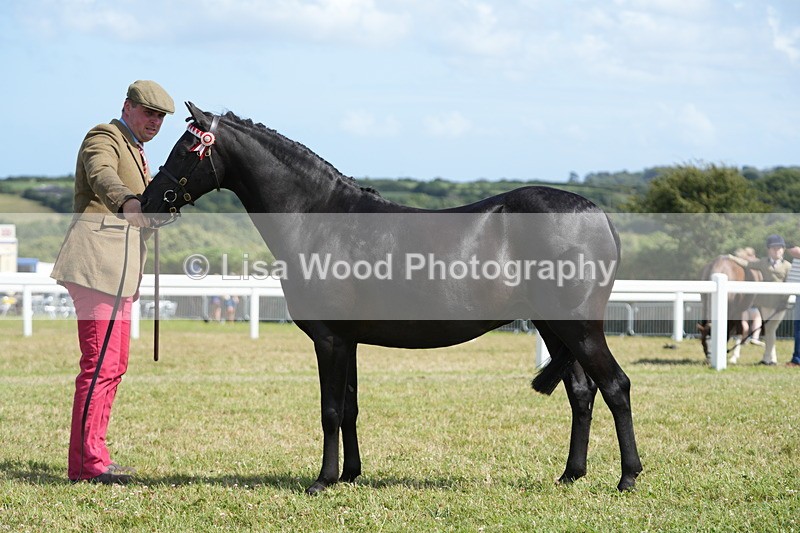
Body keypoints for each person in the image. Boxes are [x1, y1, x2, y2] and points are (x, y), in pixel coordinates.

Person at [51, 80, 174, 484]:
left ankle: (96, 456)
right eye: (149, 113)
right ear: (128, 106)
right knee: (99, 366)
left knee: (113, 366)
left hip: (118, 271)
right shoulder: (104, 136)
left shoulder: (138, 151)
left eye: (160, 117)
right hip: (96, 265)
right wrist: (127, 201)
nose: (155, 122)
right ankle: (87, 466)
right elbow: (101, 174)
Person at [730, 235, 792, 365]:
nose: (777, 251)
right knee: (770, 330)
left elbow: (789, 284)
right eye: (774, 248)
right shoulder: (763, 262)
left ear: (783, 250)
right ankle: (770, 358)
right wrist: (731, 258)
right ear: (769, 250)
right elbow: (747, 264)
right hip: (765, 303)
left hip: (779, 304)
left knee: (770, 329)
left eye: (780, 248)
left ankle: (768, 358)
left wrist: (784, 301)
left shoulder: (787, 266)